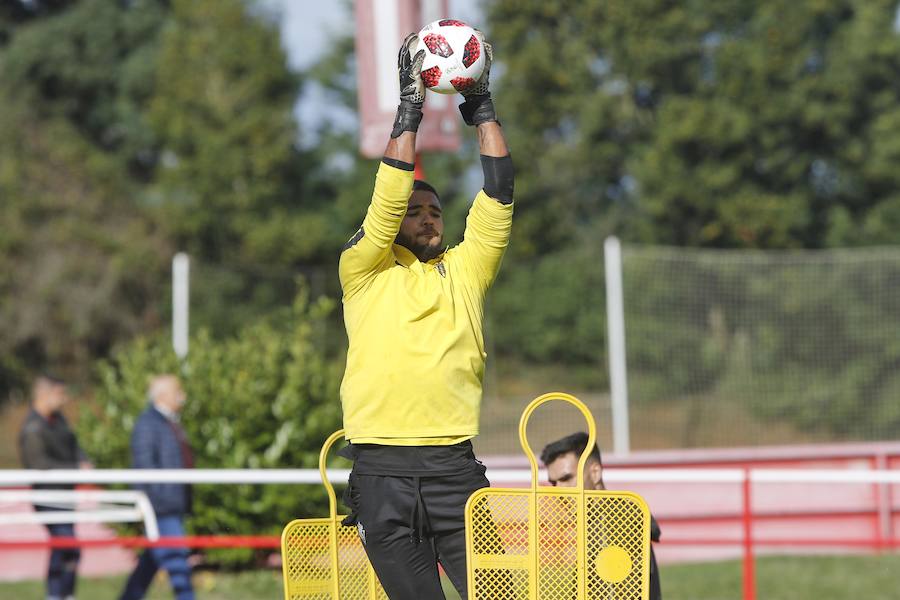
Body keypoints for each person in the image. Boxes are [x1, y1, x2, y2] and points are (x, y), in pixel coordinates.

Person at [337, 29, 514, 600]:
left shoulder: (465, 269)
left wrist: (481, 106)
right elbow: (388, 197)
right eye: (416, 212)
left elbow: (500, 194)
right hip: (381, 471)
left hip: (453, 469)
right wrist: (409, 108)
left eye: (436, 210)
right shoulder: (362, 269)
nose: (428, 217)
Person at [541, 432, 663, 600]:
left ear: (595, 473)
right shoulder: (598, 520)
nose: (559, 491)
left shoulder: (619, 520)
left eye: (567, 478)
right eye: (554, 483)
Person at [119, 375, 195, 600]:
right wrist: (158, 503)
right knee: (176, 560)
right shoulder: (148, 424)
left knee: (150, 562)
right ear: (162, 395)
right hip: (161, 506)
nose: (183, 397)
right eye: (177, 392)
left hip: (171, 504)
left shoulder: (169, 422)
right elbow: (144, 468)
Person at [18, 373, 91, 600]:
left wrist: (83, 462)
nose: (64, 399)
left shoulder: (59, 421)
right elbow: (39, 464)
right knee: (67, 545)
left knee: (65, 548)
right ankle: (56, 594)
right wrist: (76, 468)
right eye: (60, 394)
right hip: (48, 496)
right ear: (44, 394)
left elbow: (74, 444)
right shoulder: (32, 427)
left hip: (65, 495)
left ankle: (63, 593)